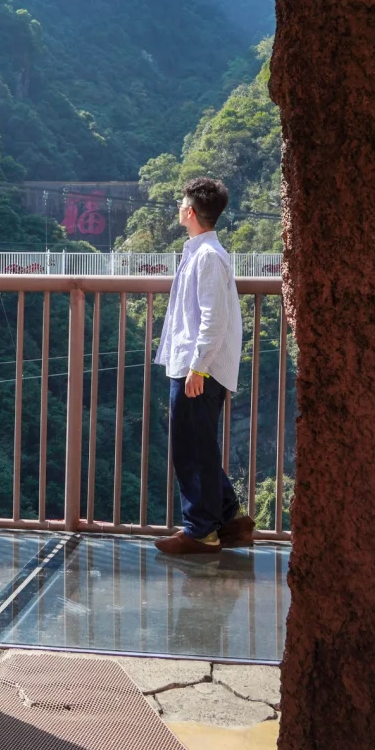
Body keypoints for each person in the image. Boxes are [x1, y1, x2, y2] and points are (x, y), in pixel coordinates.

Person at [153, 176, 255, 555]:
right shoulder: (200, 251)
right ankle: (229, 518)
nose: (179, 207)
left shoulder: (208, 257)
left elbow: (214, 318)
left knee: (189, 448)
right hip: (198, 365)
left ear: (191, 211)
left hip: (200, 368)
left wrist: (197, 368)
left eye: (181, 203)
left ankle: (200, 531)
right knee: (199, 445)